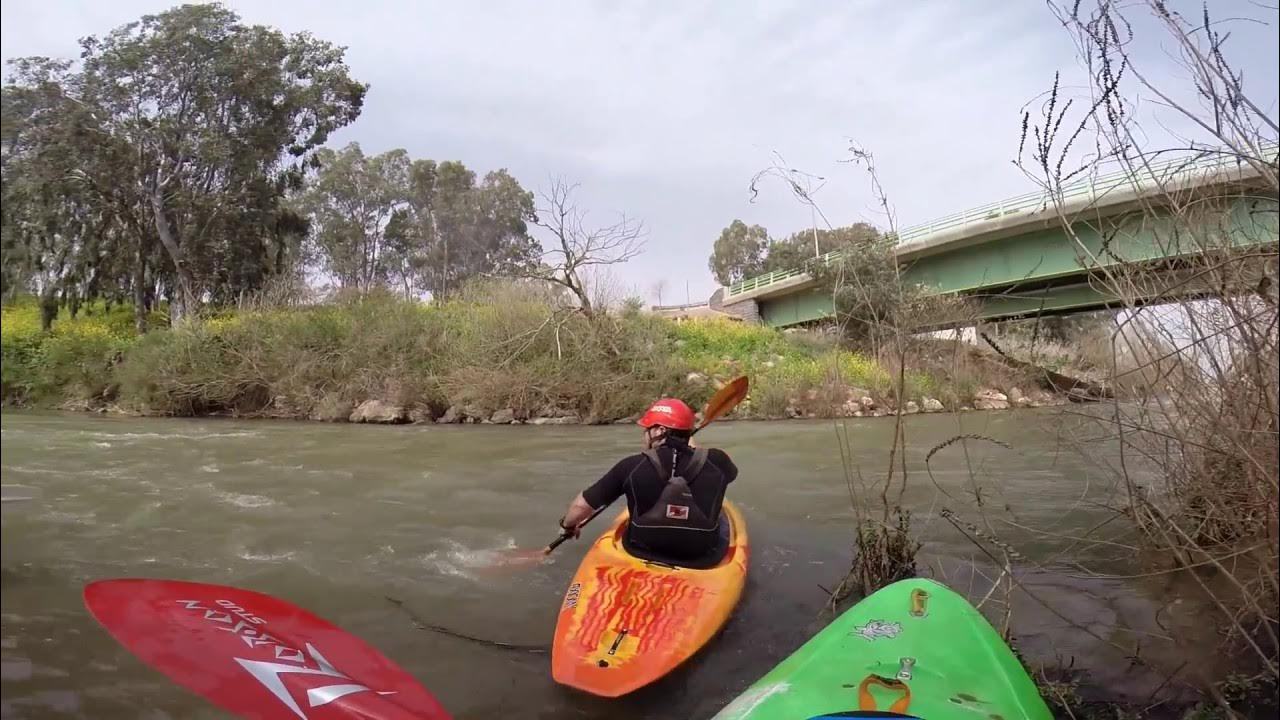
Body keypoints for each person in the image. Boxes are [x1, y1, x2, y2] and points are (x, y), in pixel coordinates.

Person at [557, 397, 738, 563]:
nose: (644, 434)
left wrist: (567, 526)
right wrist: (689, 445)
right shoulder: (718, 460)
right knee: (722, 514)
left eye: (647, 429)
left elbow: (581, 506)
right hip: (702, 556)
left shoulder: (631, 466)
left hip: (641, 551)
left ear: (660, 431)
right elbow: (729, 474)